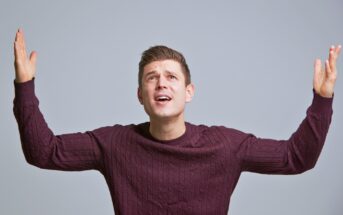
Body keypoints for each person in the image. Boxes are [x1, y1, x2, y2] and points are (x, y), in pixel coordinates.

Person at [13, 28, 341, 215]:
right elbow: (45, 152)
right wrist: (25, 87)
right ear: (140, 95)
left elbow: (295, 158)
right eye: (151, 78)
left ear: (188, 92)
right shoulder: (115, 144)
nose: (161, 84)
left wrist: (322, 100)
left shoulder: (225, 146)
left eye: (171, 77)